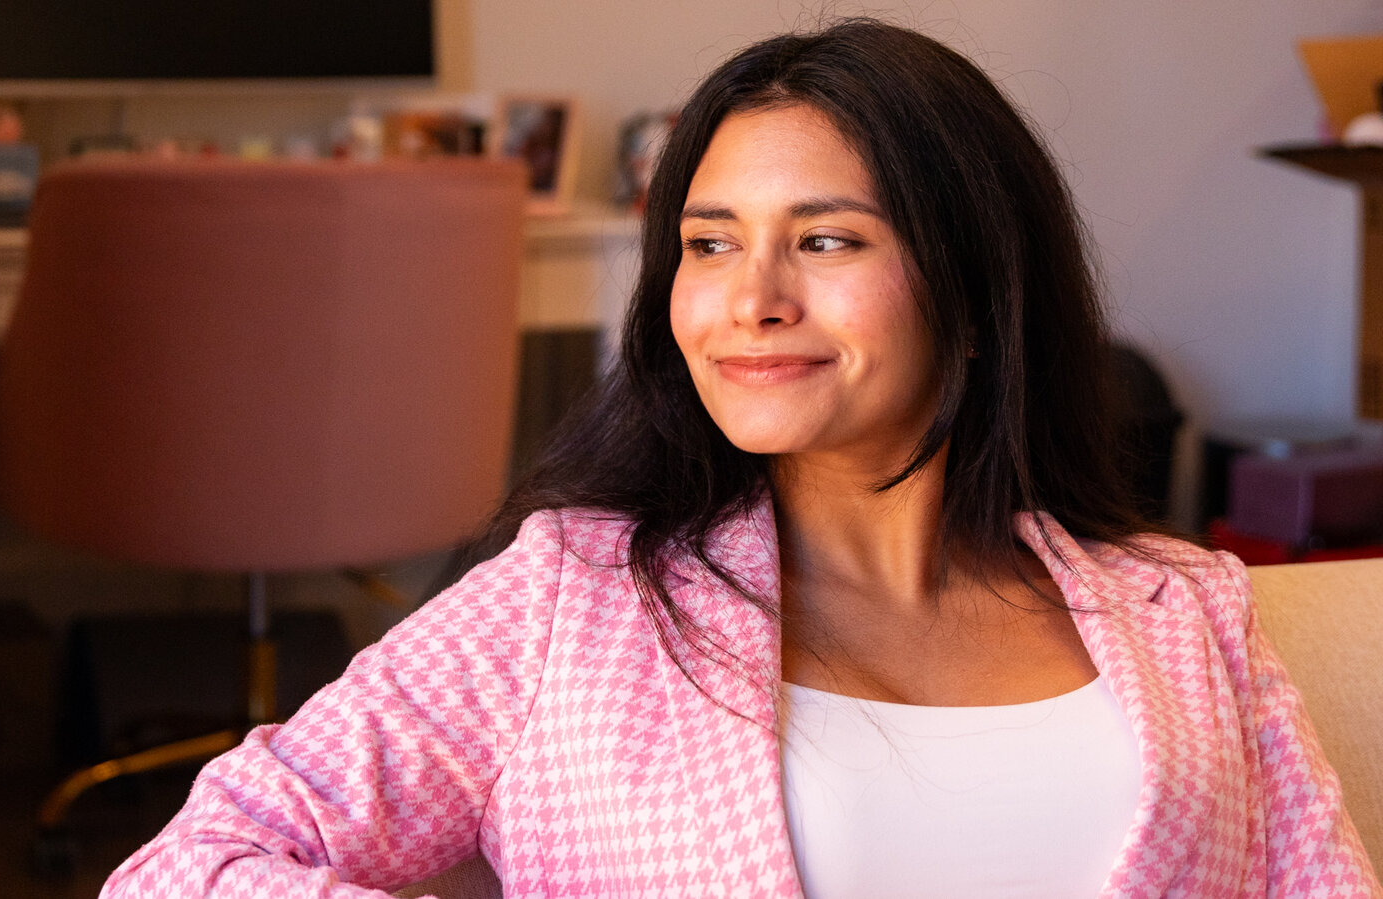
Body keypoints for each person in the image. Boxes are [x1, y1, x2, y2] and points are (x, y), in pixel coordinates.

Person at [103, 18, 1380, 898]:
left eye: (824, 241)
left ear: (980, 292)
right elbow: (195, 863)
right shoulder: (568, 598)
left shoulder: (1189, 611)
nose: (748, 299)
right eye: (709, 245)